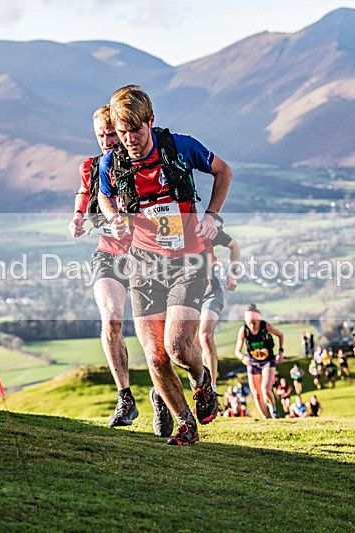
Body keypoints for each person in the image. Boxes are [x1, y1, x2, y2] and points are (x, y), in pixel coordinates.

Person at [97, 85, 232, 446]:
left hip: (188, 260)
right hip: (143, 266)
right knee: (156, 357)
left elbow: (223, 171)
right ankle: (186, 424)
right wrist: (113, 218)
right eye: (122, 132)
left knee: (177, 347)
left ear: (151, 121)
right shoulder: (113, 162)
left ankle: (202, 381)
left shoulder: (180, 148)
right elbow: (104, 196)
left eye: (136, 131)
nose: (129, 140)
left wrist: (212, 215)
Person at [68, 105, 144, 430]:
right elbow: (84, 192)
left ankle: (162, 392)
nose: (106, 141)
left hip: (145, 256)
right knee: (111, 318)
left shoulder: (142, 162)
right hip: (108, 254)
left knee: (153, 331)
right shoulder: (92, 165)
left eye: (111, 134)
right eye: (101, 135)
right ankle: (125, 397)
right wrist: (77, 216)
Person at [196, 226, 241, 393]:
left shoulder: (204, 229)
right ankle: (202, 387)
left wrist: (233, 275)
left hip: (210, 292)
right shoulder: (173, 230)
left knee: (206, 336)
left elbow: (234, 245)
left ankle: (212, 388)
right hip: (185, 297)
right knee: (195, 348)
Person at [234, 303, 285, 419]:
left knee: (265, 389)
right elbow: (237, 351)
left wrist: (280, 352)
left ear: (258, 320)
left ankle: (273, 410)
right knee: (256, 393)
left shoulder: (266, 326)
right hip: (253, 363)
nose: (252, 326)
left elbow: (280, 335)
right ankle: (266, 418)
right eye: (249, 323)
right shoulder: (244, 330)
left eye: (254, 323)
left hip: (268, 361)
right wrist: (243, 357)